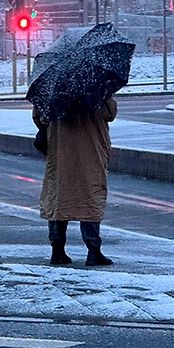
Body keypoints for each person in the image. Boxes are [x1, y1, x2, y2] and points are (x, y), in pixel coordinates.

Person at [32, 96, 118, 266]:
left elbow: (39, 118)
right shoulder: (94, 88)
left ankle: (57, 251)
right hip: (90, 150)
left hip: (60, 152)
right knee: (90, 196)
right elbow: (109, 113)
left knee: (59, 197)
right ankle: (93, 251)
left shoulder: (52, 92)